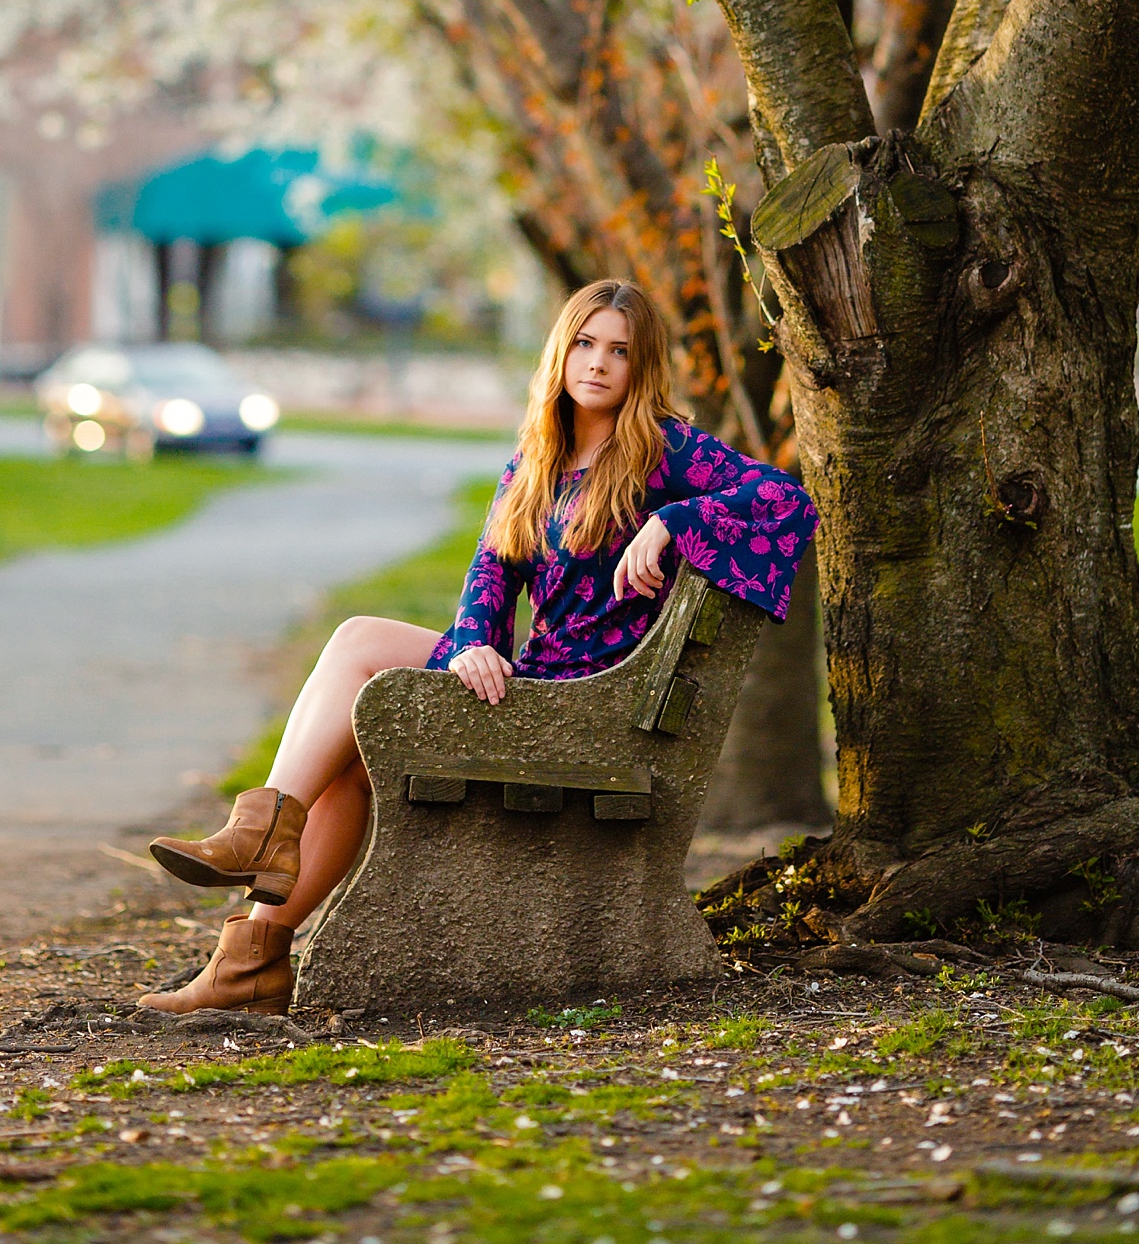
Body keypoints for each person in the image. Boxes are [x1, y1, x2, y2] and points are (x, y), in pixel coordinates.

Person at [138, 277, 818, 1015]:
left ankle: (260, 835)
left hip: (584, 703)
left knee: (359, 639)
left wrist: (673, 520)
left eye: (619, 351)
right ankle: (249, 961)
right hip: (533, 683)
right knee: (351, 766)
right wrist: (470, 642)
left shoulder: (664, 449)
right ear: (561, 351)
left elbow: (787, 499)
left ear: (639, 366)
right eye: (585, 343)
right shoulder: (536, 458)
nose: (598, 362)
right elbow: (490, 572)